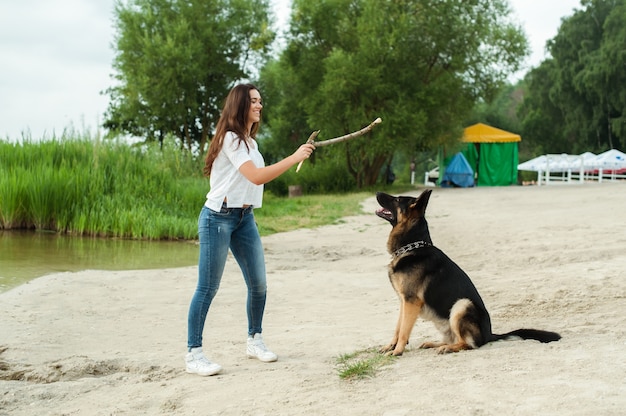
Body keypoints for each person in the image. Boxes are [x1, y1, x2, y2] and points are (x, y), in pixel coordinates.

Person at [185, 83, 315, 376]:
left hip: (245, 219)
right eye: (254, 101)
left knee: (259, 284)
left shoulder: (250, 143)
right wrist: (294, 157)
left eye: (260, 101)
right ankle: (194, 353)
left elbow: (255, 178)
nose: (259, 106)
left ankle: (254, 340)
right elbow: (256, 177)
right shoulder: (230, 139)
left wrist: (294, 158)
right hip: (217, 218)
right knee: (207, 288)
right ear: (240, 105)